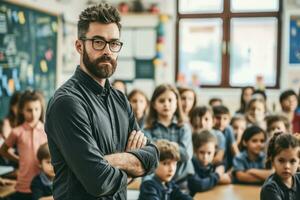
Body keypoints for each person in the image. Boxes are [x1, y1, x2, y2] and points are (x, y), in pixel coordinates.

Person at [44, 3, 159, 200]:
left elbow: (153, 157)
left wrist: (112, 161)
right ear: (80, 46)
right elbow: (99, 182)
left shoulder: (121, 100)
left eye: (114, 43)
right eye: (98, 42)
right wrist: (132, 164)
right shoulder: (67, 103)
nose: (107, 51)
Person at [0, 90, 48, 200]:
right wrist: (18, 159)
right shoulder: (17, 132)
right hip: (23, 185)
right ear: (22, 110)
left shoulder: (47, 130)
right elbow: (3, 150)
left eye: (37, 109)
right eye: (29, 110)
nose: (34, 114)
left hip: (43, 185)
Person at [144, 84, 194, 186]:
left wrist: (160, 145)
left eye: (170, 100)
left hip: (181, 181)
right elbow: (150, 156)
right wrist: (175, 146)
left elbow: (186, 155)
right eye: (162, 101)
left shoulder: (184, 128)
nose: (166, 104)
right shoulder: (147, 130)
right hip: (155, 182)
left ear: (176, 103)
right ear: (154, 104)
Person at [188, 130, 230, 196]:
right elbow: (199, 185)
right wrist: (217, 176)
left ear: (215, 152)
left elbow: (227, 179)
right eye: (201, 152)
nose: (205, 157)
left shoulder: (216, 165)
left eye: (209, 153)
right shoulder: (191, 164)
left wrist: (210, 180)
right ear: (195, 150)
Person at [261, 133, 300, 200]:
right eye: (281, 160)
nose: (287, 166)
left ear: (299, 162)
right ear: (273, 161)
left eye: (292, 161)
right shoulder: (270, 188)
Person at [213, 105, 240, 171]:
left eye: (225, 118)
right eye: (218, 118)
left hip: (225, 164)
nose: (221, 122)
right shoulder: (210, 130)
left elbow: (234, 149)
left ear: (229, 120)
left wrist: (240, 164)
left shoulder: (228, 129)